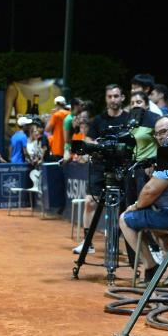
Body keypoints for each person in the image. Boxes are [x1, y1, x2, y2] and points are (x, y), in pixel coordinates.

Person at [119, 115, 168, 284]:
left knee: (124, 219)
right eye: (157, 133)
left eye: (164, 131)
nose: (161, 137)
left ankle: (150, 266)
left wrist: (136, 206)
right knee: (157, 229)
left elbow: (149, 191)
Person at [73, 84, 129, 254]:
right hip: (99, 166)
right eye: (109, 96)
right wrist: (97, 145)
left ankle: (116, 244)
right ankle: (87, 242)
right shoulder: (99, 119)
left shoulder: (128, 119)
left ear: (122, 98)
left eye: (116, 96)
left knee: (119, 205)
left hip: (121, 167)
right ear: (106, 99)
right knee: (90, 202)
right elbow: (88, 140)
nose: (113, 99)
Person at [45, 95, 71, 160]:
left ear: (57, 104)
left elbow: (47, 129)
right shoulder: (70, 114)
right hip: (69, 146)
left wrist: (51, 115)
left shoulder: (56, 115)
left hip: (58, 147)